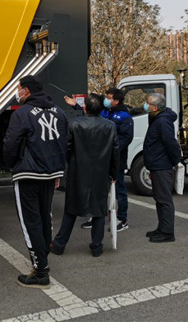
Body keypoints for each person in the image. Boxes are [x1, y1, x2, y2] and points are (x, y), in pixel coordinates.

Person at [3, 75, 68, 288]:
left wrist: (12, 164)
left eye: (19, 88)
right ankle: (43, 257)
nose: (17, 92)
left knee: (30, 221)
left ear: (27, 91)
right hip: (50, 173)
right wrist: (58, 170)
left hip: (28, 173)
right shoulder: (59, 112)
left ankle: (40, 271)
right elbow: (64, 142)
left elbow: (11, 143)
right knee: (44, 216)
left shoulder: (21, 113)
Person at [50, 93, 119, 258]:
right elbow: (115, 152)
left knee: (71, 208)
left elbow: (67, 148)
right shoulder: (110, 126)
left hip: (77, 171)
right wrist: (114, 173)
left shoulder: (74, 124)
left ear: (85, 107)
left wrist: (69, 164)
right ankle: (96, 246)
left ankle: (59, 244)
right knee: (99, 210)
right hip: (101, 172)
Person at [65, 87, 133, 231]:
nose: (106, 100)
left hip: (115, 160)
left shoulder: (124, 116)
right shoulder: (105, 112)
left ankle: (122, 219)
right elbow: (91, 115)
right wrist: (76, 106)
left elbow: (125, 139)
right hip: (100, 160)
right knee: (95, 190)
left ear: (116, 101)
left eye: (109, 98)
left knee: (119, 190)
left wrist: (109, 151)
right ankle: (93, 215)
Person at [143, 92, 181, 243]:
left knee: (164, 200)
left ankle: (167, 232)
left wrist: (174, 161)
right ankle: (161, 227)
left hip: (162, 166)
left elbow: (171, 143)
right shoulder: (156, 118)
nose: (146, 105)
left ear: (156, 107)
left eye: (148, 103)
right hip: (157, 164)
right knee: (159, 199)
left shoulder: (163, 121)